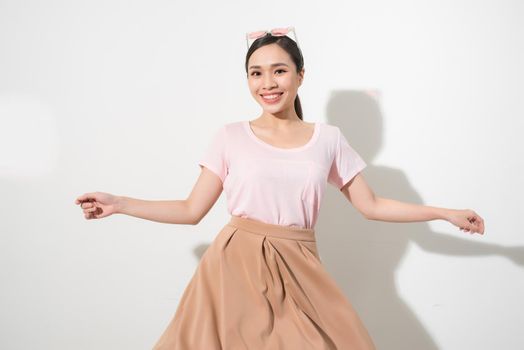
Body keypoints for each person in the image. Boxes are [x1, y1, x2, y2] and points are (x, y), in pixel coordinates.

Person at [74, 26, 485, 349]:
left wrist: (444, 212)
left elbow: (372, 204)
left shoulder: (328, 139)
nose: (267, 83)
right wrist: (120, 202)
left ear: (300, 75)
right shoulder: (230, 136)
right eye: (256, 73)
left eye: (279, 70)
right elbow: (190, 210)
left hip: (301, 268)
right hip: (234, 269)